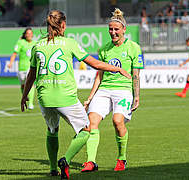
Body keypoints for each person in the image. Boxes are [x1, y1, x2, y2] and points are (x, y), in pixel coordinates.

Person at [20, 10, 131, 179]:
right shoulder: (69, 43)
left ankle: (52, 168)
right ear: (63, 25)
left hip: (44, 97)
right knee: (87, 129)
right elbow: (94, 63)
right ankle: (66, 159)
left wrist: (24, 96)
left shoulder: (37, 45)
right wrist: (117, 68)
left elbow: (32, 74)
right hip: (65, 97)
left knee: (52, 130)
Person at [81, 8, 143, 172]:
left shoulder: (134, 48)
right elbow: (99, 76)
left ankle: (122, 158)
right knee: (91, 123)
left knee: (117, 121)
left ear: (124, 29)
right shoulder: (104, 49)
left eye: (116, 29)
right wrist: (90, 97)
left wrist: (137, 96)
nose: (113, 32)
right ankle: (91, 162)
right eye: (110, 29)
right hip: (104, 90)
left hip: (123, 90)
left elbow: (135, 74)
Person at [8, 27, 36, 109]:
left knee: (31, 84)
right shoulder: (21, 42)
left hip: (30, 67)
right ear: (25, 35)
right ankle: (25, 97)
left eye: (31, 33)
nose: (29, 35)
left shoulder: (35, 43)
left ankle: (31, 103)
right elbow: (14, 53)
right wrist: (10, 63)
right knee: (23, 85)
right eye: (28, 33)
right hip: (21, 68)